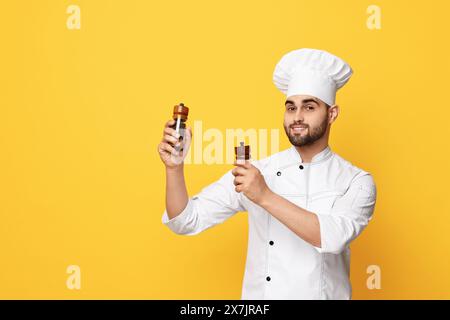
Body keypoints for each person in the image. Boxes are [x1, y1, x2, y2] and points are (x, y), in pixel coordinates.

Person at [158, 48, 377, 299]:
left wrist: (264, 195)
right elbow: (185, 220)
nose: (297, 117)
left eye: (309, 107)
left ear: (332, 114)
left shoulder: (355, 181)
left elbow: (333, 237)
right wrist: (174, 168)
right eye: (291, 108)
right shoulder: (260, 172)